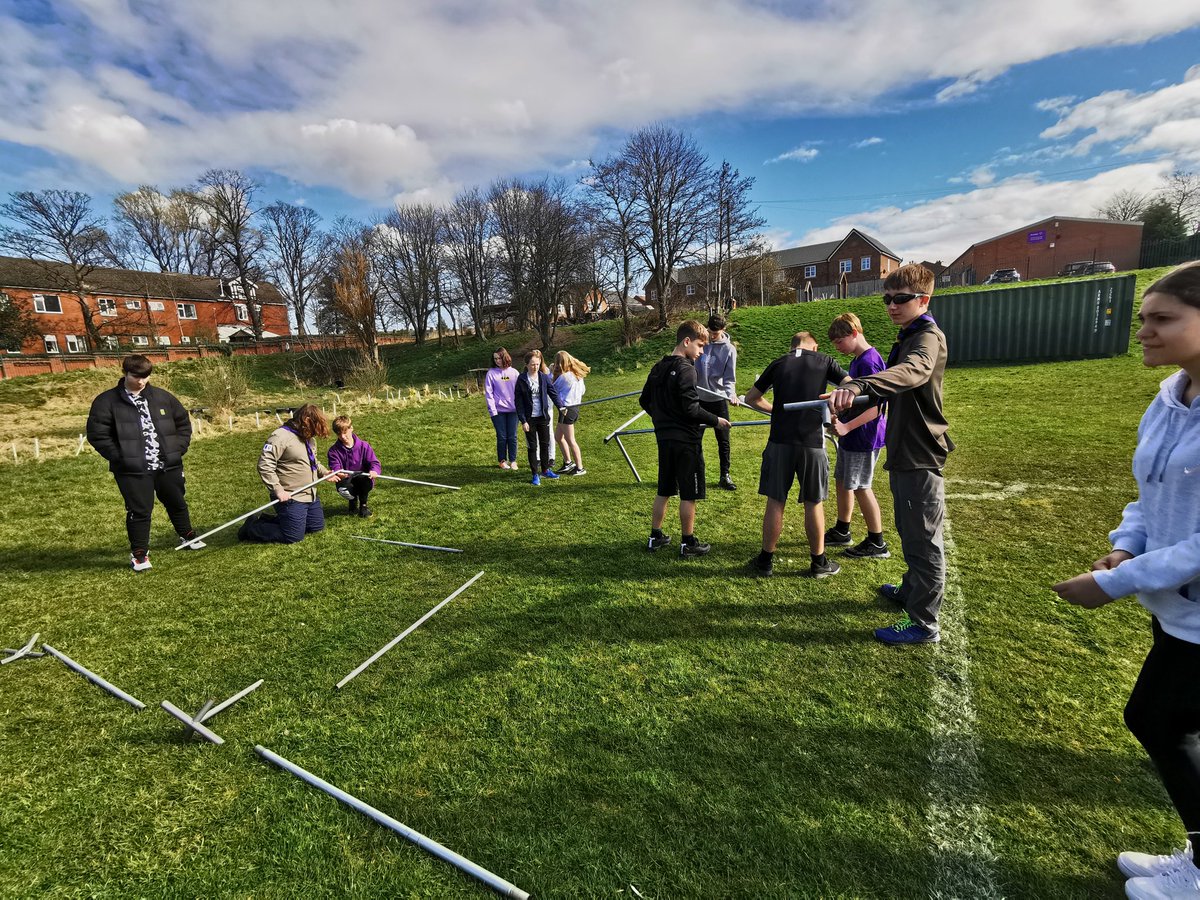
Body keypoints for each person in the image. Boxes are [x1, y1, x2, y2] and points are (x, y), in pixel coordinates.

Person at [1053, 261, 1200, 900]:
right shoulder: (1170, 397)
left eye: (1163, 319)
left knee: (1157, 719)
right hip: (1176, 606)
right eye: (1143, 318)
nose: (1144, 330)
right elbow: (1151, 492)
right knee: (1174, 724)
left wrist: (1116, 583)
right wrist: (1123, 547)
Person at [826, 263, 953, 644]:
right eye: (887, 299)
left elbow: (914, 372)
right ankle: (911, 589)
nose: (892, 306)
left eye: (901, 299)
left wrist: (862, 384)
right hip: (903, 451)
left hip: (919, 454)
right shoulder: (908, 334)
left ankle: (924, 622)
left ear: (923, 300)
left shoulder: (926, 338)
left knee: (923, 538)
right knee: (910, 529)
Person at [742, 332, 849, 578]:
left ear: (792, 347)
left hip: (779, 442)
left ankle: (765, 561)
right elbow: (850, 384)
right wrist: (833, 408)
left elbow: (751, 398)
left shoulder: (779, 363)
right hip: (812, 442)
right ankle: (818, 563)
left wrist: (777, 412)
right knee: (813, 502)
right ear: (815, 345)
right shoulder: (825, 360)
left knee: (775, 500)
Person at [85, 353, 205, 571]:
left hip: (167, 464)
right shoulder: (106, 401)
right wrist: (120, 457)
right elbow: (98, 434)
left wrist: (177, 450)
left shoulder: (162, 397)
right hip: (132, 470)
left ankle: (187, 536)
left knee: (177, 501)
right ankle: (140, 554)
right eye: (135, 376)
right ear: (125, 373)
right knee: (140, 510)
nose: (140, 381)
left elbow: (182, 424)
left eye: (145, 376)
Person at [639, 320, 731, 558]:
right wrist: (716, 420)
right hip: (686, 440)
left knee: (665, 488)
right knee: (689, 492)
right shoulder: (687, 369)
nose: (701, 353)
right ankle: (688, 542)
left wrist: (662, 419)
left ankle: (655, 536)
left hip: (664, 439)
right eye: (700, 346)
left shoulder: (657, 367)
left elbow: (644, 401)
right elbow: (692, 409)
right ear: (686, 341)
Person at [825, 312, 890, 559]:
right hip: (852, 434)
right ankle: (843, 530)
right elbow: (857, 401)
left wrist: (847, 427)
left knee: (862, 486)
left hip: (864, 435)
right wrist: (839, 416)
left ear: (854, 333)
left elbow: (877, 407)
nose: (838, 348)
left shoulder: (869, 362)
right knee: (843, 480)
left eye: (840, 342)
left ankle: (877, 542)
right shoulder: (857, 359)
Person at [238, 403, 337, 543]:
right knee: (293, 536)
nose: (315, 433)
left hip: (310, 493)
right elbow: (265, 465)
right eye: (315, 427)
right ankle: (252, 527)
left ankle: (272, 519)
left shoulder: (309, 438)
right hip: (290, 496)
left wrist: (325, 473)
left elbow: (312, 461)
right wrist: (278, 490)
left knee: (316, 527)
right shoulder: (280, 436)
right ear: (306, 421)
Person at [695, 313, 739, 490]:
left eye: (716, 333)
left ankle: (725, 476)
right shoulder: (701, 343)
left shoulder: (729, 350)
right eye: (710, 332)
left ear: (723, 330)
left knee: (723, 440)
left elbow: (729, 378)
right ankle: (696, 475)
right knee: (694, 438)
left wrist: (732, 394)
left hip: (718, 399)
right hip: (699, 399)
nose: (712, 336)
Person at [515, 349, 562, 486]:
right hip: (530, 419)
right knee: (532, 447)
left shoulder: (543, 377)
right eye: (532, 364)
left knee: (545, 444)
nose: (535, 367)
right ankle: (535, 474)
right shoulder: (522, 379)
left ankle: (546, 470)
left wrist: (561, 407)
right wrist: (523, 420)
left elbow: (553, 393)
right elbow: (518, 402)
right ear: (527, 365)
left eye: (537, 364)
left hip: (543, 417)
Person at [327, 415, 382, 518]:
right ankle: (352, 500)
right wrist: (339, 473)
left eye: (345, 432)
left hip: (363, 477)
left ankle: (363, 506)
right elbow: (335, 466)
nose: (343, 436)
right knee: (345, 489)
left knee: (365, 483)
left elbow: (374, 463)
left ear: (351, 428)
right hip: (346, 479)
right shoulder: (333, 451)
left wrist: (374, 471)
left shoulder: (364, 446)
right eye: (339, 434)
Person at [552, 350, 590, 476]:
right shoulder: (577, 375)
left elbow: (552, 388)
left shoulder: (564, 377)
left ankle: (580, 468)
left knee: (570, 440)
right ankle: (568, 462)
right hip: (574, 408)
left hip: (567, 409)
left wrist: (551, 372)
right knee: (558, 437)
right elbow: (583, 391)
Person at [485, 348, 520, 470]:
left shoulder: (514, 373)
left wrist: (520, 407)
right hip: (498, 412)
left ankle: (513, 460)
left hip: (513, 411)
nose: (497, 361)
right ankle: (502, 460)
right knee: (502, 436)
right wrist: (493, 411)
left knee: (512, 436)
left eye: (499, 358)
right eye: (495, 359)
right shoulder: (491, 373)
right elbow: (489, 393)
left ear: (505, 357)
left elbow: (519, 391)